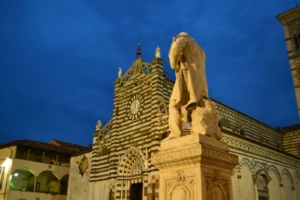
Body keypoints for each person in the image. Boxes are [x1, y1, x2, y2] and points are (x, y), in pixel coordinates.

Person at [166, 32, 208, 140]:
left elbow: (173, 59)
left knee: (173, 104)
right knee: (193, 105)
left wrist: (173, 46)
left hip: (186, 76)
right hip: (199, 81)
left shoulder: (182, 40)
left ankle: (175, 133)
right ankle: (193, 130)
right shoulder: (200, 49)